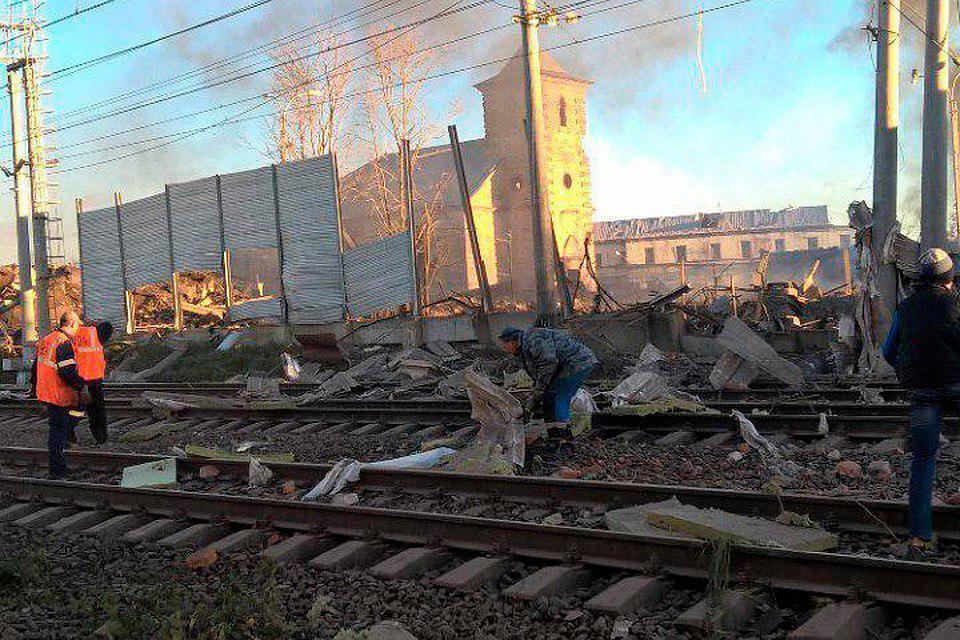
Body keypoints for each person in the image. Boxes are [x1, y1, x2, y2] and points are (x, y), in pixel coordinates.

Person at [882, 247, 960, 557]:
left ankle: (919, 537)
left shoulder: (905, 308)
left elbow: (888, 351)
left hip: (922, 392)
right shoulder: (954, 304)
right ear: (949, 279)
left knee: (923, 461)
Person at [499, 325, 598, 422]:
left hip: (577, 362)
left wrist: (538, 392)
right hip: (564, 366)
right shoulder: (522, 351)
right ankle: (554, 428)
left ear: (513, 341)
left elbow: (548, 364)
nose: (504, 347)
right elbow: (538, 374)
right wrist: (537, 396)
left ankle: (563, 429)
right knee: (549, 396)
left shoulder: (534, 340)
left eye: (505, 344)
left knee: (558, 396)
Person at [34, 311, 87, 478]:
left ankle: (60, 462)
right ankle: (57, 470)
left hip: (48, 391)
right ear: (71, 324)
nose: (78, 329)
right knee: (58, 431)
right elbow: (68, 372)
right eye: (78, 325)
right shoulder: (63, 343)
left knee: (61, 426)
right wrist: (81, 387)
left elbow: (36, 367)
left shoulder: (47, 340)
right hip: (59, 393)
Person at [72, 319, 113, 444]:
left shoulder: (73, 334)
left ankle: (67, 431)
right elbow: (107, 328)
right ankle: (101, 438)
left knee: (77, 410)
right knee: (97, 411)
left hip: (78, 379)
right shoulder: (95, 334)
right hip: (93, 380)